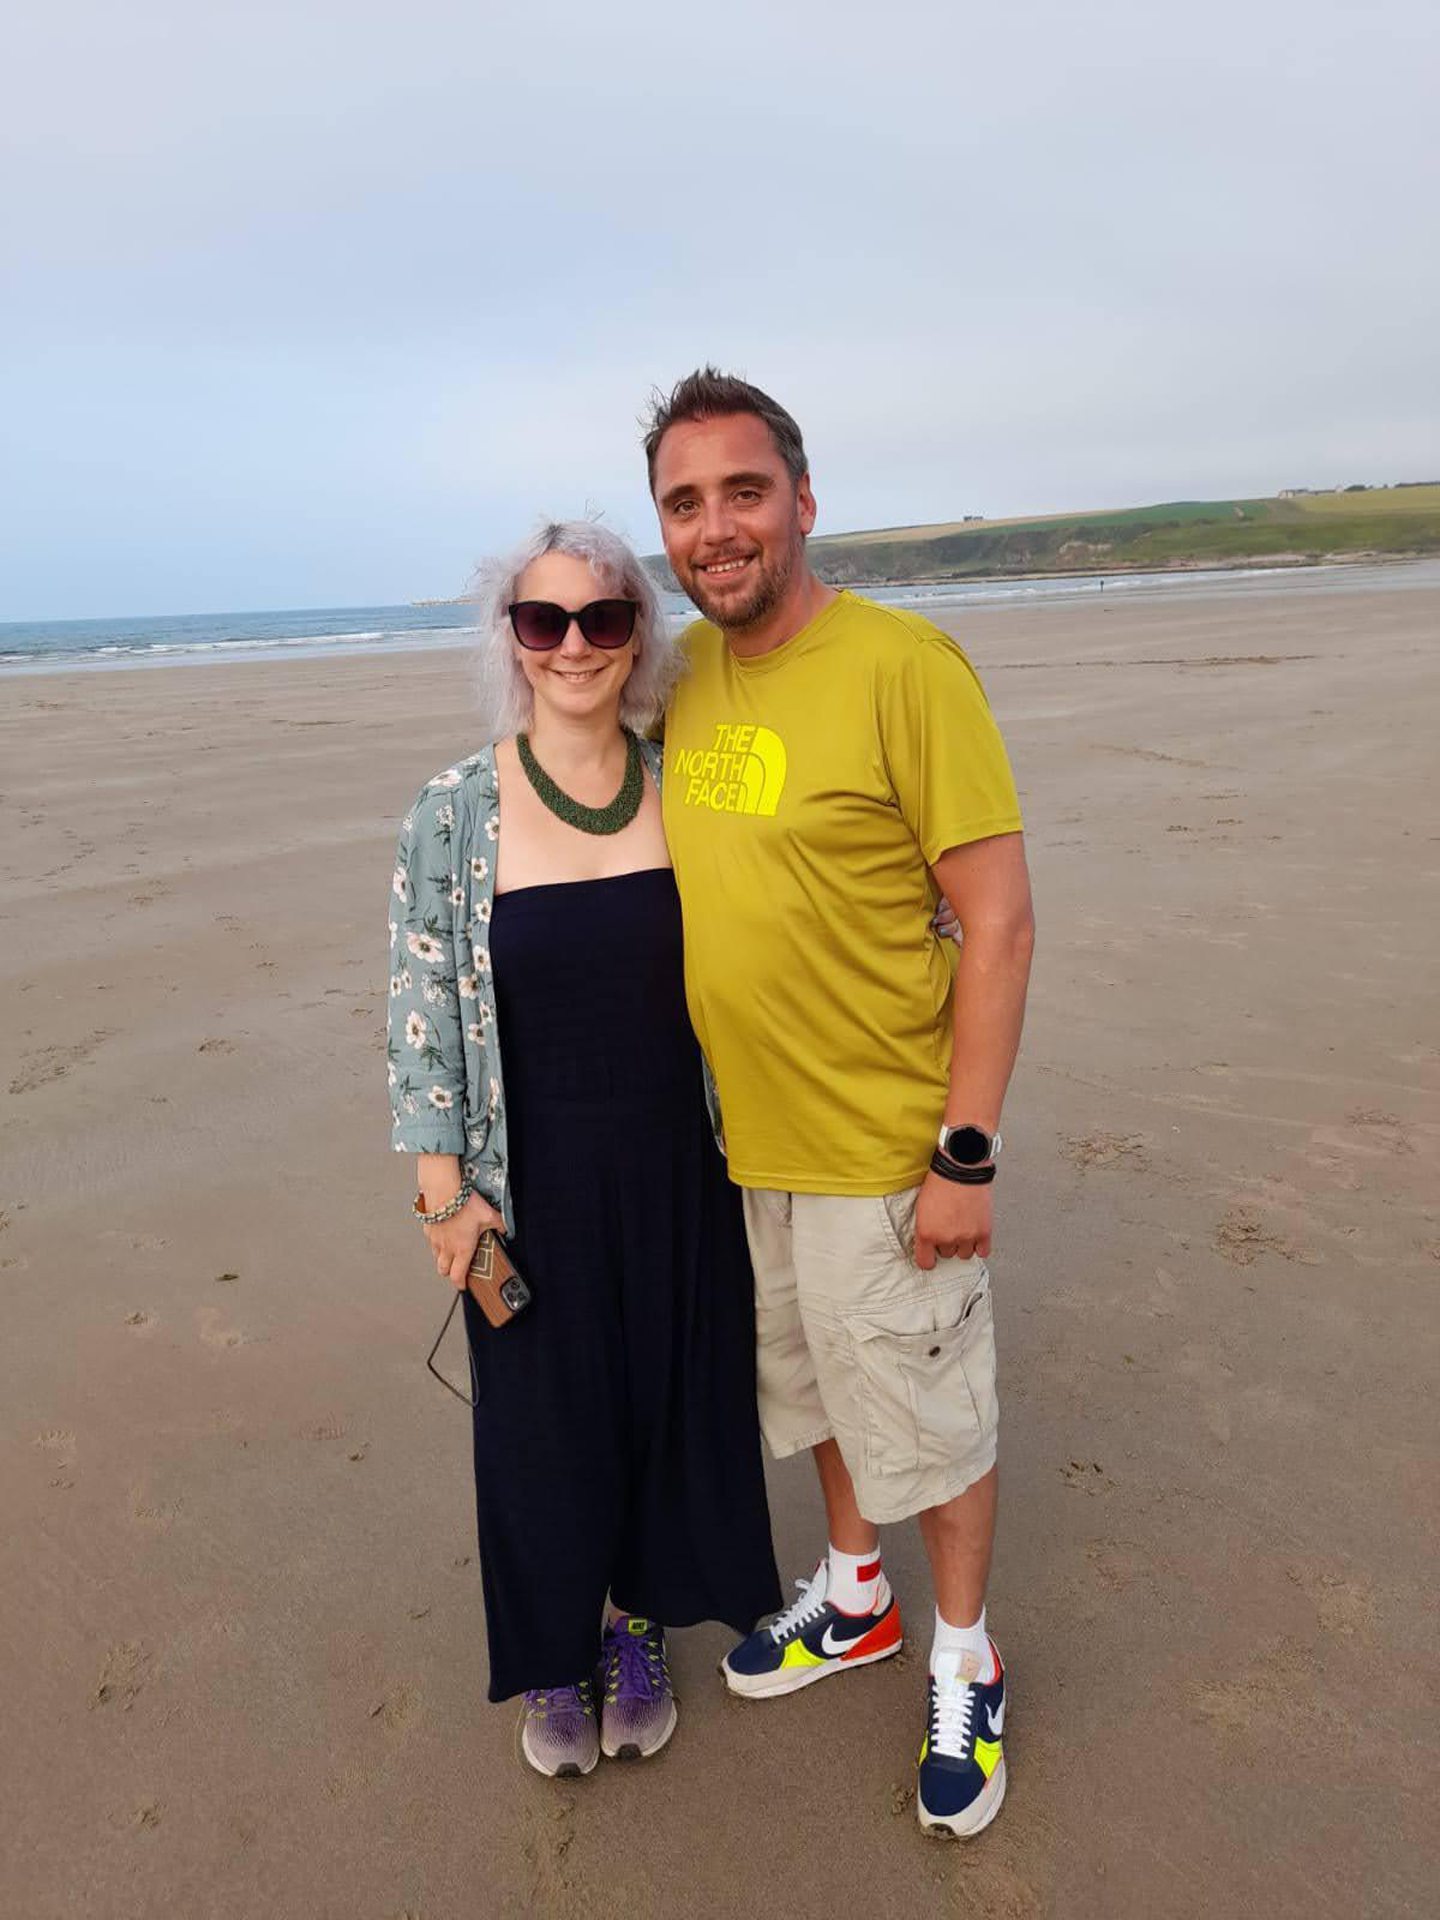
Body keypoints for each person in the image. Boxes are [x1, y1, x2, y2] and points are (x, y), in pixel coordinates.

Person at [643, 369, 1035, 1838]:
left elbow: (995, 921)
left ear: (803, 502)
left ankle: (963, 1658)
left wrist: (966, 1152)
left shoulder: (901, 667)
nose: (716, 527)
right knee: (811, 1387)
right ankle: (855, 1594)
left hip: (888, 1143)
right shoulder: (682, 675)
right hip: (755, 1142)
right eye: (686, 503)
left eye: (744, 492)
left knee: (927, 1417)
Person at [386, 519, 781, 1779]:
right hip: (528, 1181)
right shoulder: (453, 811)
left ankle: (633, 1630)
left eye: (602, 620)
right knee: (541, 1430)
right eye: (543, 621)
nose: (573, 646)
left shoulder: (690, 781)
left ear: (637, 638)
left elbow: (805, 879)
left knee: (665, 1407)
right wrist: (445, 1199)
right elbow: (423, 1008)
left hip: (680, 1169)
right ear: (511, 638)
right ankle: (553, 1663)